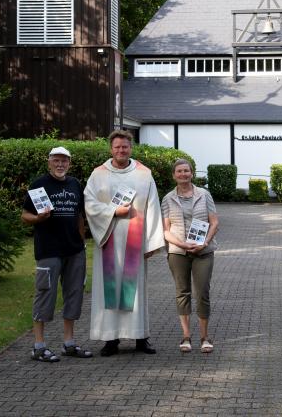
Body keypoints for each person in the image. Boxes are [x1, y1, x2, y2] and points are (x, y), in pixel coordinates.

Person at [84, 129, 165, 356]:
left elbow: (153, 207)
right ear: (111, 149)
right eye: (117, 147)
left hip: (135, 243)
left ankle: (141, 337)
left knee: (136, 290)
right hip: (108, 237)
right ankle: (111, 339)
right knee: (109, 290)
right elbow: (89, 203)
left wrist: (151, 242)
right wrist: (114, 211)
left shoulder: (143, 174)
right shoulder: (98, 174)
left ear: (131, 148)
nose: (121, 150)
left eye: (125, 147)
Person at [21, 146, 92, 362]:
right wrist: (38, 219)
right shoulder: (39, 185)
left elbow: (80, 215)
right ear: (49, 162)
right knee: (45, 294)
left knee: (74, 294)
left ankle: (69, 343)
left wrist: (81, 242)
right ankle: (39, 346)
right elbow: (25, 215)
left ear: (69, 163)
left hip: (74, 250)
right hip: (49, 250)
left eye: (64, 161)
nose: (60, 164)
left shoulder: (75, 184)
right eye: (56, 161)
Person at [161, 158, 219, 353]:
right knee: (182, 292)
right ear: (174, 175)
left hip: (203, 251)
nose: (183, 174)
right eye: (179, 171)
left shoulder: (204, 195)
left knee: (202, 292)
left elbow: (214, 222)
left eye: (186, 171)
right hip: (178, 252)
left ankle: (204, 336)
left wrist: (204, 242)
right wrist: (182, 244)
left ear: (192, 173)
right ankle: (186, 336)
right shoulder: (168, 198)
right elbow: (166, 230)